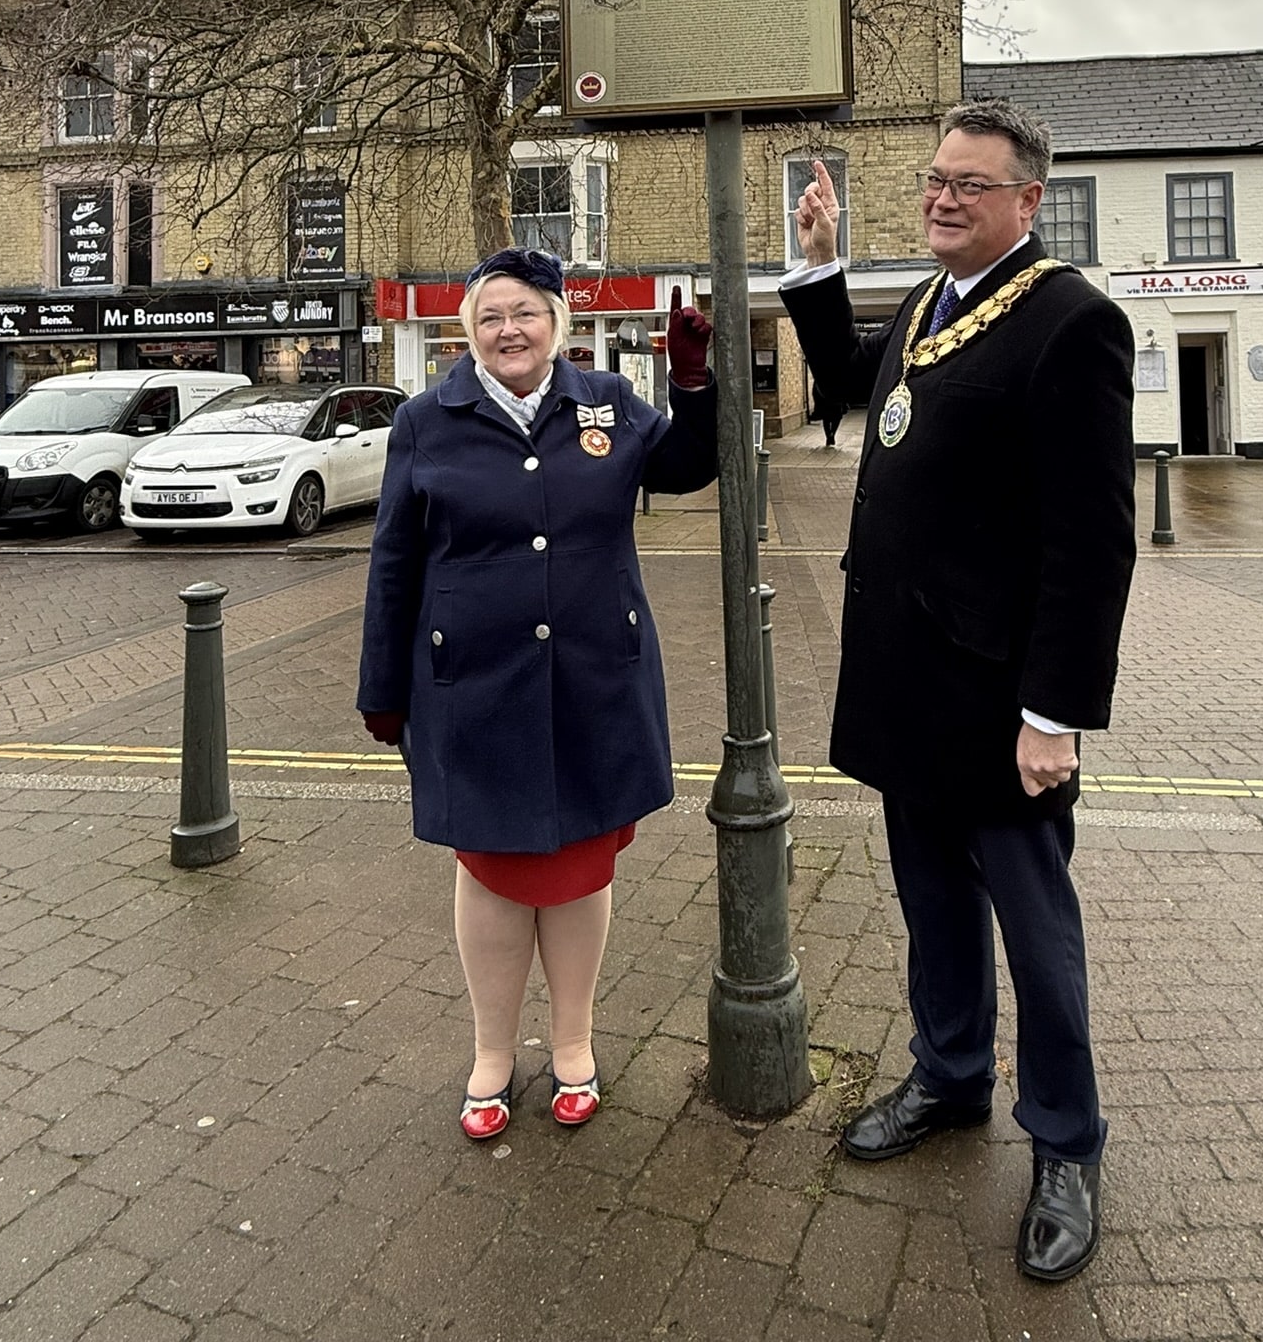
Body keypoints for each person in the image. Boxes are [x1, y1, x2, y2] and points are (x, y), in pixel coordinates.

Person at [780, 100, 1136, 1284]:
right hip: (908, 678)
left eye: (968, 184)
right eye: (935, 178)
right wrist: (821, 263)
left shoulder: (1072, 322)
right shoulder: (933, 301)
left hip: (1000, 699)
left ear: (1028, 199)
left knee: (1037, 933)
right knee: (932, 905)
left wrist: (1054, 713)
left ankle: (1068, 1141)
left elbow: (1093, 541)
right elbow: (851, 385)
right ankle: (950, 1073)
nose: (941, 197)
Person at [358, 248, 718, 1143]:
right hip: (474, 687)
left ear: (557, 322)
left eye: (525, 312)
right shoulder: (426, 421)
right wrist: (382, 688)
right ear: (467, 333)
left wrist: (691, 381)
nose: (508, 330)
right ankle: (491, 1053)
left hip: (595, 680)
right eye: (490, 317)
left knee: (579, 868)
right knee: (490, 870)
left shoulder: (608, 403)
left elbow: (686, 469)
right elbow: (394, 561)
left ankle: (573, 1043)